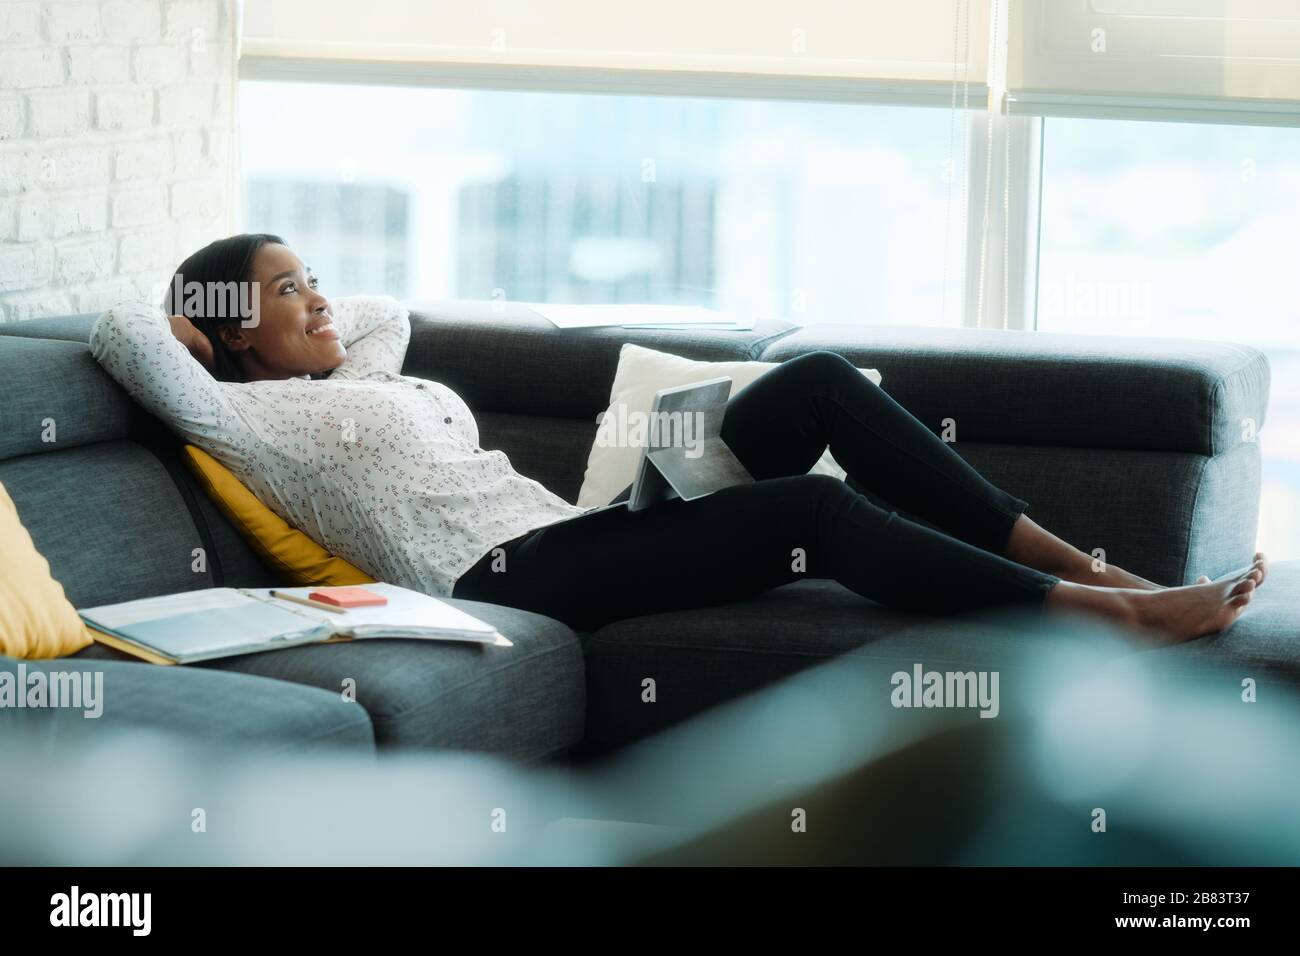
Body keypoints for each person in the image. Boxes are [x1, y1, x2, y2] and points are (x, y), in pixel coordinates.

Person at [90, 234, 1267, 641]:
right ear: (231, 327)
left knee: (807, 383)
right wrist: (200, 335)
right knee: (807, 512)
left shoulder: (361, 372)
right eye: (288, 291)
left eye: (314, 277)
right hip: (508, 580)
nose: (323, 300)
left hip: (582, 531)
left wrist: (313, 316)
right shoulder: (239, 413)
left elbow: (386, 316)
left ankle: (1087, 562)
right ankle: (1109, 618)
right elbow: (118, 332)